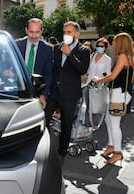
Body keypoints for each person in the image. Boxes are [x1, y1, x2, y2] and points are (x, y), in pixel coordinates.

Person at [45, 21, 91, 157]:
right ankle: (45, 147)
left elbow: (82, 70)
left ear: (77, 34)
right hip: (54, 92)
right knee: (44, 119)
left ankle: (62, 152)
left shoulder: (84, 51)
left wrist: (70, 55)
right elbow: (54, 70)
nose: (66, 35)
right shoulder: (57, 48)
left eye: (69, 32)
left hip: (70, 94)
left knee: (66, 125)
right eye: (64, 32)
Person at [93, 32, 134, 165]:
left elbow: (112, 76)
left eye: (115, 42)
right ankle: (111, 146)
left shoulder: (122, 56)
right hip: (123, 93)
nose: (113, 44)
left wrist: (99, 79)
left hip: (118, 93)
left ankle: (118, 152)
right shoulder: (131, 57)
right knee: (108, 120)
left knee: (114, 124)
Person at [16, 18, 54, 109]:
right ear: (26, 30)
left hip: (37, 93)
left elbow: (48, 74)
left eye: (37, 32)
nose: (33, 36)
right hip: (17, 90)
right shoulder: (17, 45)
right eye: (31, 32)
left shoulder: (47, 49)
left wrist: (43, 95)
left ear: (42, 31)